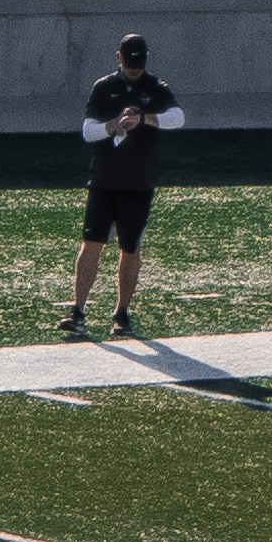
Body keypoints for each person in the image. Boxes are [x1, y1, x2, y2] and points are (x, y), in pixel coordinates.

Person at [64, 34, 183, 335]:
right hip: (104, 181)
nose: (134, 70)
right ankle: (78, 310)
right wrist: (113, 126)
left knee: (130, 247)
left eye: (138, 64)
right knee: (91, 243)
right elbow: (88, 131)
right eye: (129, 63)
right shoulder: (104, 88)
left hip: (137, 183)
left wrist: (145, 119)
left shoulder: (156, 88)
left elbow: (178, 118)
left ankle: (122, 313)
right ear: (119, 57)